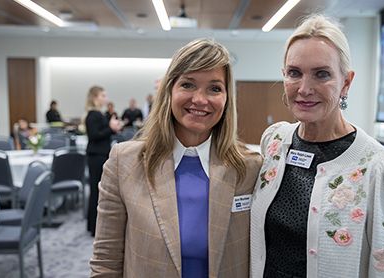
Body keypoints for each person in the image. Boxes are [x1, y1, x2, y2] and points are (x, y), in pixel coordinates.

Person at [250, 14, 384, 278]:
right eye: (295, 73)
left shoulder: (381, 168)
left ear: (346, 82)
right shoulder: (275, 143)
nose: (305, 88)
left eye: (322, 74)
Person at [90, 38, 262, 277]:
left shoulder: (250, 168)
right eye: (188, 85)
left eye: (214, 88)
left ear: (226, 98)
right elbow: (106, 262)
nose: (200, 99)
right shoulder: (125, 162)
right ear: (169, 91)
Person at [84, 86, 121, 236]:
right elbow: (95, 135)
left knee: (98, 191)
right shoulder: (92, 115)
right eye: (102, 96)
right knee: (96, 191)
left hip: (100, 154)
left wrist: (112, 127)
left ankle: (93, 225)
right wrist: (111, 129)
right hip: (96, 156)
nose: (105, 99)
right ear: (95, 97)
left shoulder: (99, 114)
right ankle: (93, 227)